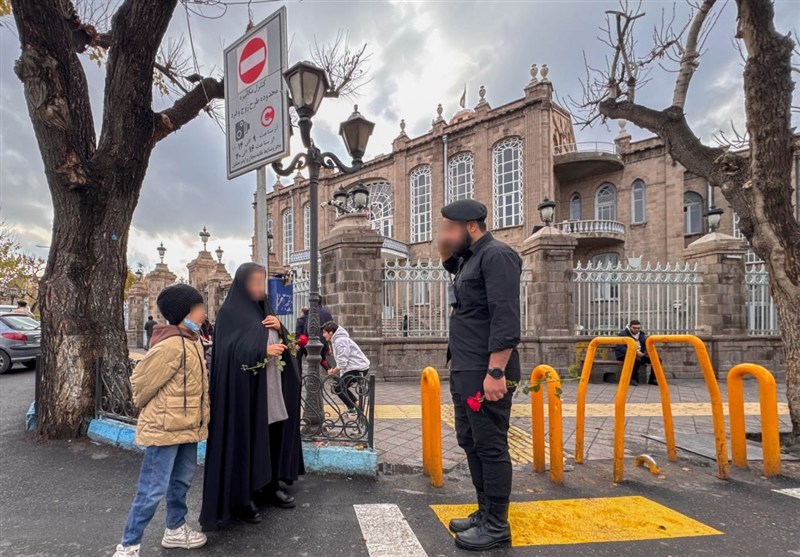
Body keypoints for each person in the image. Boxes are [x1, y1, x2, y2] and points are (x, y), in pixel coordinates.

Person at [437, 199, 522, 551]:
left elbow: (505, 314)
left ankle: (497, 525)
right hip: (465, 366)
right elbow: (460, 282)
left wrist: (496, 371)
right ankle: (485, 511)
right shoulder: (470, 258)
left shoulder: (497, 255)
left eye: (449, 229)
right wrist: (445, 252)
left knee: (490, 445)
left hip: (487, 370)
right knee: (470, 441)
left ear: (471, 225)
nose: (445, 234)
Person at [200, 263, 304, 531]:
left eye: (263, 281)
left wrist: (281, 328)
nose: (260, 287)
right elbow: (228, 352)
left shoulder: (266, 310)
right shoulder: (229, 314)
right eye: (255, 282)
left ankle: (269, 487)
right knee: (247, 440)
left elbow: (289, 345)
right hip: (244, 394)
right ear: (243, 283)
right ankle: (243, 496)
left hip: (271, 390)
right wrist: (261, 350)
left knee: (271, 437)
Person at [112, 284, 210, 557]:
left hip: (188, 428)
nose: (203, 313)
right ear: (185, 312)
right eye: (199, 308)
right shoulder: (170, 346)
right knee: (152, 490)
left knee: (180, 483)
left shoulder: (191, 340)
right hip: (166, 429)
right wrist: (159, 412)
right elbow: (141, 385)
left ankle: (175, 530)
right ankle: (129, 545)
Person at [321, 321, 370, 415]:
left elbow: (343, 361)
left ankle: (356, 407)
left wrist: (333, 371)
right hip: (355, 367)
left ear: (331, 332)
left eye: (324, 332)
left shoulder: (340, 341)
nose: (323, 335)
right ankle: (355, 406)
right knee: (340, 387)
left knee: (338, 388)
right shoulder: (337, 340)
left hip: (358, 368)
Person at [615, 319, 657, 386]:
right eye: (634, 328)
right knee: (636, 360)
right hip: (625, 355)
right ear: (630, 327)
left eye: (638, 328)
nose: (636, 330)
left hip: (640, 354)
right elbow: (620, 348)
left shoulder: (641, 334)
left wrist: (646, 352)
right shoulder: (623, 334)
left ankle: (653, 379)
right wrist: (635, 352)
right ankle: (632, 379)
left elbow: (645, 345)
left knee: (657, 359)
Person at [295, 308, 308, 372]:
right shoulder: (310, 320)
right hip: (308, 343)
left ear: (302, 312)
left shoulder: (300, 320)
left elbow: (298, 333)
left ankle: (299, 376)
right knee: (310, 361)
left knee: (298, 360)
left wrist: (297, 343)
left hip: (301, 343)